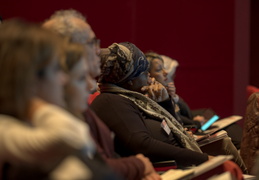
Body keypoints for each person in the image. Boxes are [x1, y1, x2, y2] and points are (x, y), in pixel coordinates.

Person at [43, 9, 160, 180]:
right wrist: (138, 165)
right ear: (70, 47)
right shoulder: (60, 101)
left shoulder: (81, 95)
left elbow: (105, 157)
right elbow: (90, 165)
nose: (99, 50)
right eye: (92, 42)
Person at [0, 19, 106, 179]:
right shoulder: (4, 129)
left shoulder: (31, 123)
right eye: (56, 69)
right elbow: (71, 136)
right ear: (30, 79)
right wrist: (31, 101)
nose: (63, 79)